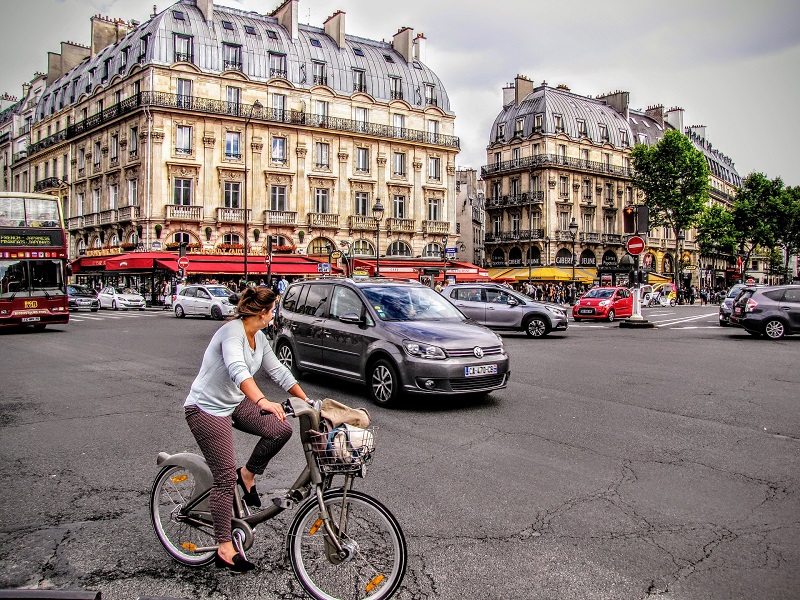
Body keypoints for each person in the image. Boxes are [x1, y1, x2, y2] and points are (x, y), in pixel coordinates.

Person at [183, 287, 311, 572]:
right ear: (263, 313)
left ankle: (249, 474)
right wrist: (263, 400)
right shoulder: (232, 333)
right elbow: (237, 370)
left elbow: (278, 370)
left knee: (280, 430)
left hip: (233, 402)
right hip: (205, 408)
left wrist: (305, 400)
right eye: (273, 309)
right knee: (224, 478)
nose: (274, 314)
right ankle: (224, 547)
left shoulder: (260, 337)